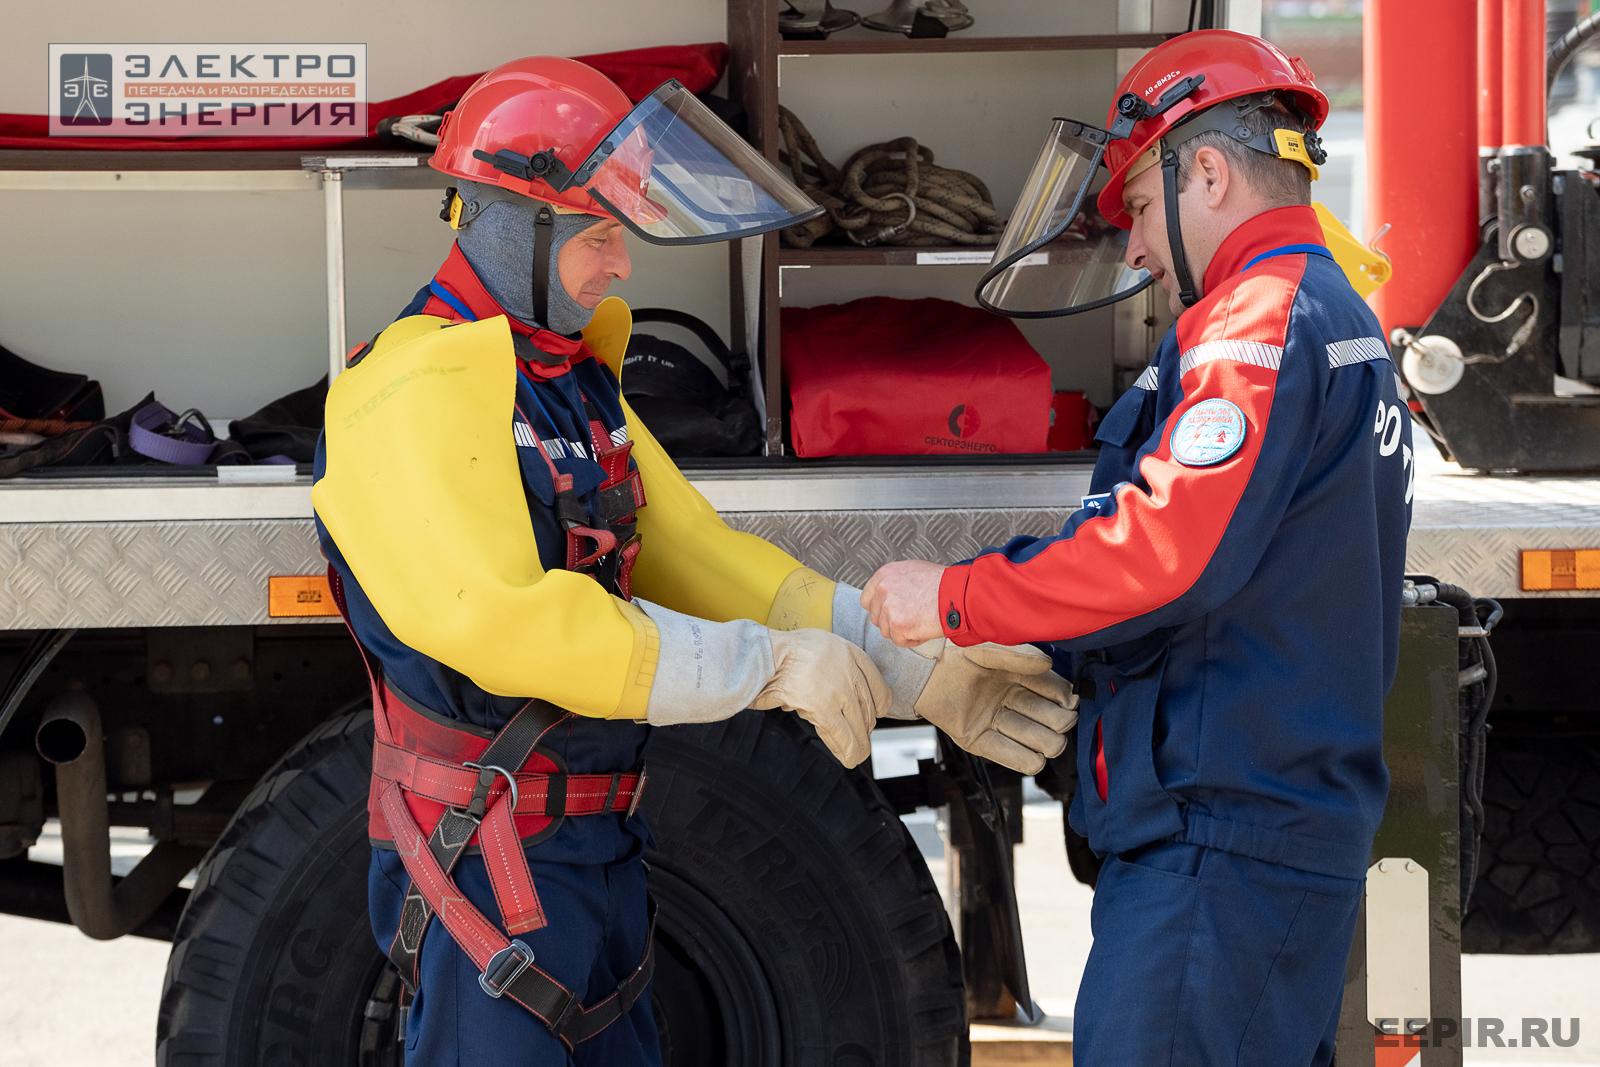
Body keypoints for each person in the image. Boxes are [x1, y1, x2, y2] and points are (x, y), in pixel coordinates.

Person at [311, 56, 1077, 1065]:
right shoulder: (412, 384)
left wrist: (911, 670)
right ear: (508, 219)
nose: (620, 265)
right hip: (487, 865)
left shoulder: (567, 381)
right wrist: (765, 667)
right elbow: (502, 619)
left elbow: (701, 558)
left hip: (589, 854)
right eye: (597, 234)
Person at [863, 30, 1412, 1066]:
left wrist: (956, 599)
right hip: (1253, 837)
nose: (1138, 249)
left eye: (1144, 209)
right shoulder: (1321, 311)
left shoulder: (1259, 319)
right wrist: (1038, 631)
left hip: (1223, 846)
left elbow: (1167, 548)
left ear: (1206, 170)